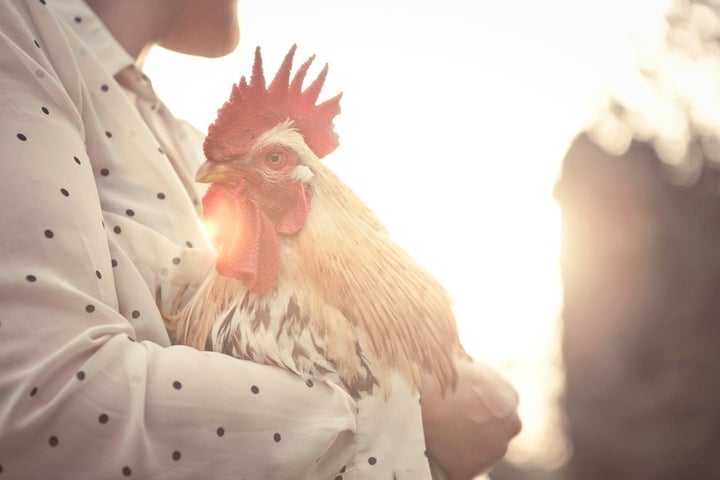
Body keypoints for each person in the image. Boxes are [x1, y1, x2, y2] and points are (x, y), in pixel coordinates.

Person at [0, 1, 521, 478]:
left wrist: (429, 365)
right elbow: (51, 408)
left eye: (273, 160)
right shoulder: (18, 36)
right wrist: (403, 406)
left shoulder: (175, 136)